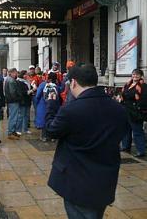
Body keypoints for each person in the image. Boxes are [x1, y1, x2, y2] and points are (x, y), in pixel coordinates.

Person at [45, 65, 129, 219]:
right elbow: (121, 134)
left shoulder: (71, 110)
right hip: (104, 181)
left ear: (74, 83)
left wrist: (50, 106)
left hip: (77, 183)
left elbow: (50, 131)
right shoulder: (118, 109)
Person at [120, 69, 147, 157]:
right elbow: (123, 95)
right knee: (126, 130)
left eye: (137, 75)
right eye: (134, 74)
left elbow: (144, 100)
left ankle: (141, 150)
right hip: (125, 110)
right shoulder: (128, 84)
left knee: (137, 131)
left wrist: (139, 109)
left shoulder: (143, 86)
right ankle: (125, 146)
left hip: (135, 112)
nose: (135, 76)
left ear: (141, 76)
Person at [35, 72, 60, 141]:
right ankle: (52, 137)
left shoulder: (43, 84)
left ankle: (44, 137)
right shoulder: (56, 86)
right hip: (54, 105)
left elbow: (38, 95)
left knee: (44, 120)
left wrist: (37, 103)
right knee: (52, 119)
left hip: (43, 105)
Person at [4, 68, 22, 140]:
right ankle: (11, 132)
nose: (16, 74)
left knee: (13, 116)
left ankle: (12, 131)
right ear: (12, 73)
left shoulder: (8, 79)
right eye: (15, 73)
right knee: (13, 117)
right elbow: (12, 93)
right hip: (13, 101)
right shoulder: (11, 81)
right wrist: (18, 98)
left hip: (11, 101)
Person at [17, 70, 32, 134]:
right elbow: (21, 92)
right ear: (22, 75)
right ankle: (19, 130)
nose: (27, 76)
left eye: (27, 74)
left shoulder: (27, 82)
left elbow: (29, 89)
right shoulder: (19, 82)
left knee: (26, 116)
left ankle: (25, 129)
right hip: (22, 101)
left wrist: (31, 90)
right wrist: (30, 91)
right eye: (25, 74)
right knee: (21, 116)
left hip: (28, 100)